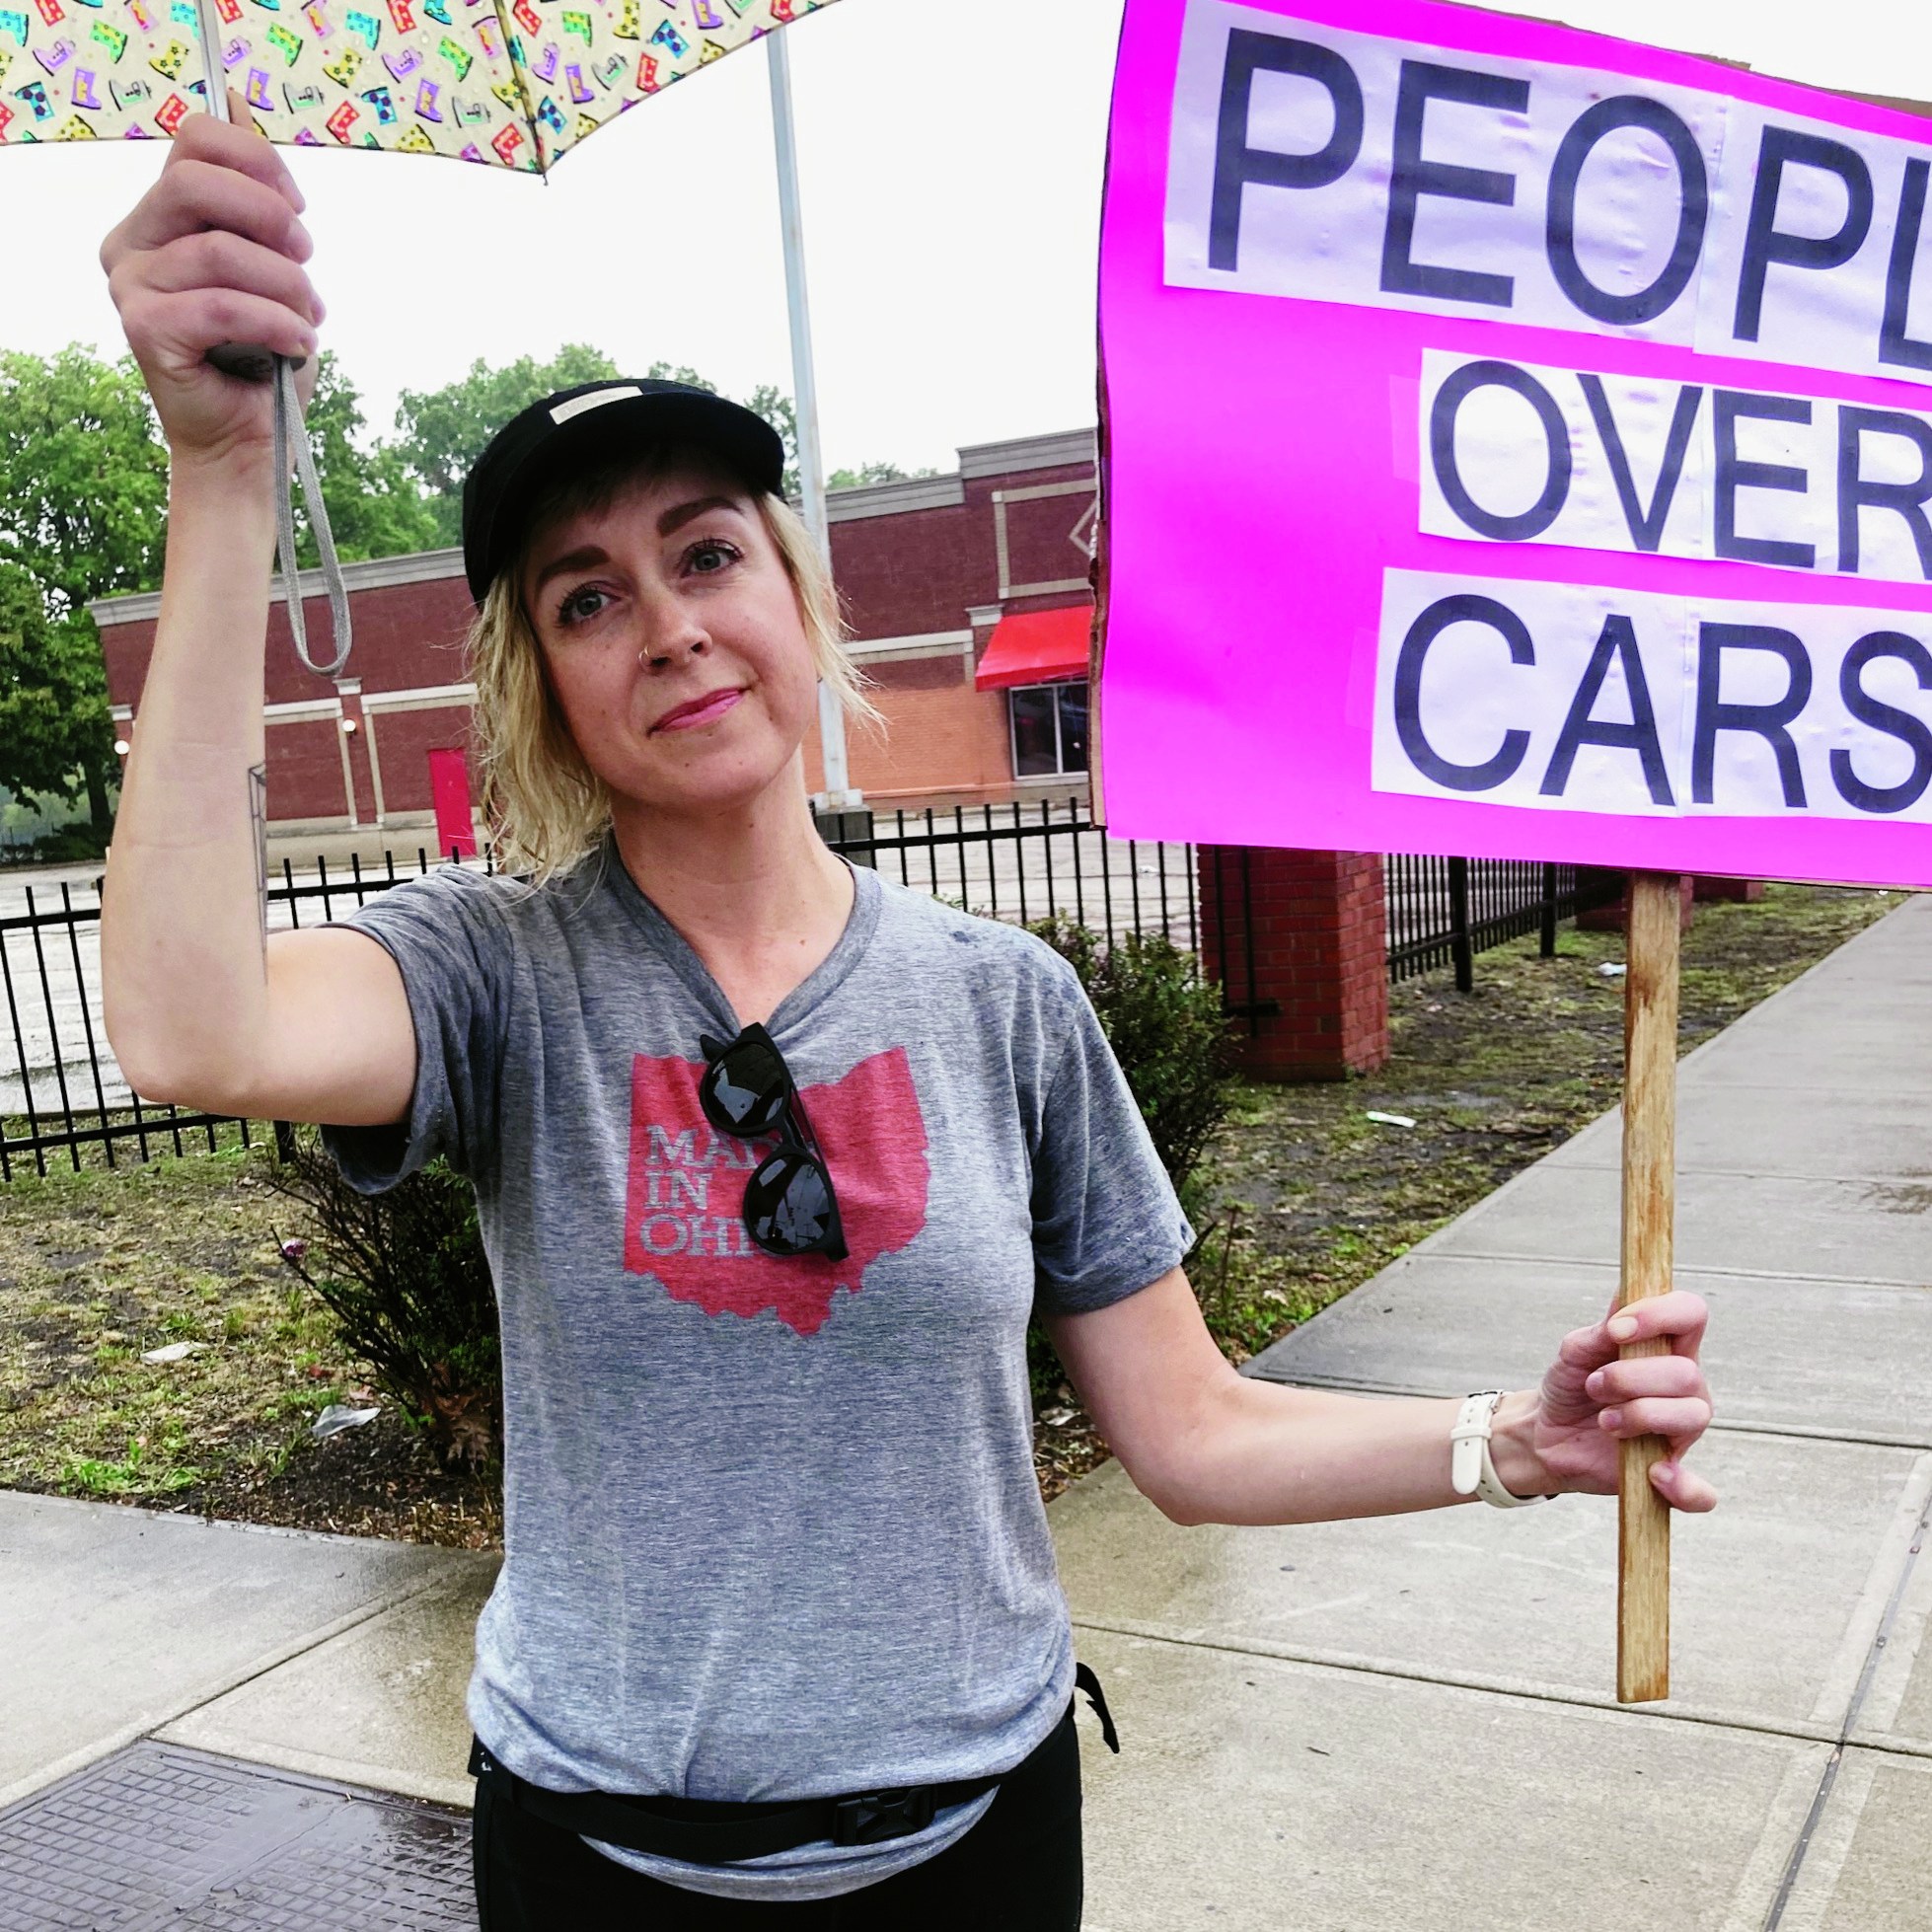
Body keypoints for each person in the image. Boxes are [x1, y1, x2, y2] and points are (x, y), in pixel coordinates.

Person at [98, 116, 1717, 1932]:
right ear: (541, 682)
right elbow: (190, 1030)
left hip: (975, 1856)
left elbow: (1190, 1434)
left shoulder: (1004, 1003)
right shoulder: (494, 978)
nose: (667, 626)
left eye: (707, 554)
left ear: (798, 596)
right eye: (588, 596)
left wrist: (1512, 1440)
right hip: (598, 1866)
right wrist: (221, 475)